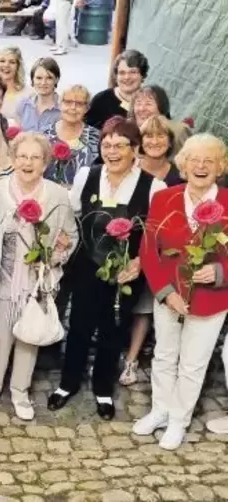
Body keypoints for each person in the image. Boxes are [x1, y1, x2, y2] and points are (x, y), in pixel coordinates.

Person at [48, 117, 167, 420]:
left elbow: (156, 236)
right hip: (88, 266)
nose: (112, 151)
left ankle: (103, 387)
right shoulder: (88, 174)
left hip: (126, 271)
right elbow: (72, 215)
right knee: (79, 326)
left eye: (120, 145)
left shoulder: (154, 187)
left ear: (135, 150)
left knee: (114, 330)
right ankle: (68, 383)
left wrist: (140, 262)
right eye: (106, 144)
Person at [136, 133, 228, 450]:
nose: (201, 166)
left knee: (192, 364)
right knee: (163, 355)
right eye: (194, 160)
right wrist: (164, 292)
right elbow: (149, 250)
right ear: (184, 165)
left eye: (209, 160)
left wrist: (219, 272)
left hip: (211, 301)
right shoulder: (164, 198)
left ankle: (178, 420)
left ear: (220, 166)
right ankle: (159, 409)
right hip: (169, 297)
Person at [0, 132, 77, 420]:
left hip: (39, 280)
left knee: (29, 334)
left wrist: (59, 253)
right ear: (12, 159)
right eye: (22, 156)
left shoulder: (57, 194)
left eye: (35, 157)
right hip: (3, 276)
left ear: (45, 163)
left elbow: (70, 235)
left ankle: (20, 391)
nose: (28, 162)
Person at [119, 114, 186, 386]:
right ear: (140, 141)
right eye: (148, 136)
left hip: (162, 252)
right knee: (122, 303)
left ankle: (131, 359)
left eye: (161, 136)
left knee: (145, 307)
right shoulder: (129, 166)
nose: (155, 141)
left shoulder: (178, 174)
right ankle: (113, 348)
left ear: (170, 141)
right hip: (127, 247)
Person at [42, 85, 100, 187]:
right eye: (68, 102)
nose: (73, 108)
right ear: (60, 105)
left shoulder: (97, 137)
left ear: (86, 108)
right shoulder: (44, 135)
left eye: (79, 104)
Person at [86, 49, 148, 130]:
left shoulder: (153, 101)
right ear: (116, 76)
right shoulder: (101, 100)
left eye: (133, 72)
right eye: (122, 73)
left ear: (142, 75)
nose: (127, 77)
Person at [128, 85, 190, 154]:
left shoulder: (178, 131)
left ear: (161, 107)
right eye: (138, 103)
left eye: (148, 104)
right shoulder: (127, 133)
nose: (142, 109)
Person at [16, 58, 61, 132]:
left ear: (56, 79)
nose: (43, 83)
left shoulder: (63, 110)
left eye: (49, 78)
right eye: (39, 78)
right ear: (32, 80)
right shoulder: (23, 105)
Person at [0, 46, 29, 123]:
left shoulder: (28, 93)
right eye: (2, 61)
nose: (6, 65)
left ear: (18, 67)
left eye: (12, 62)